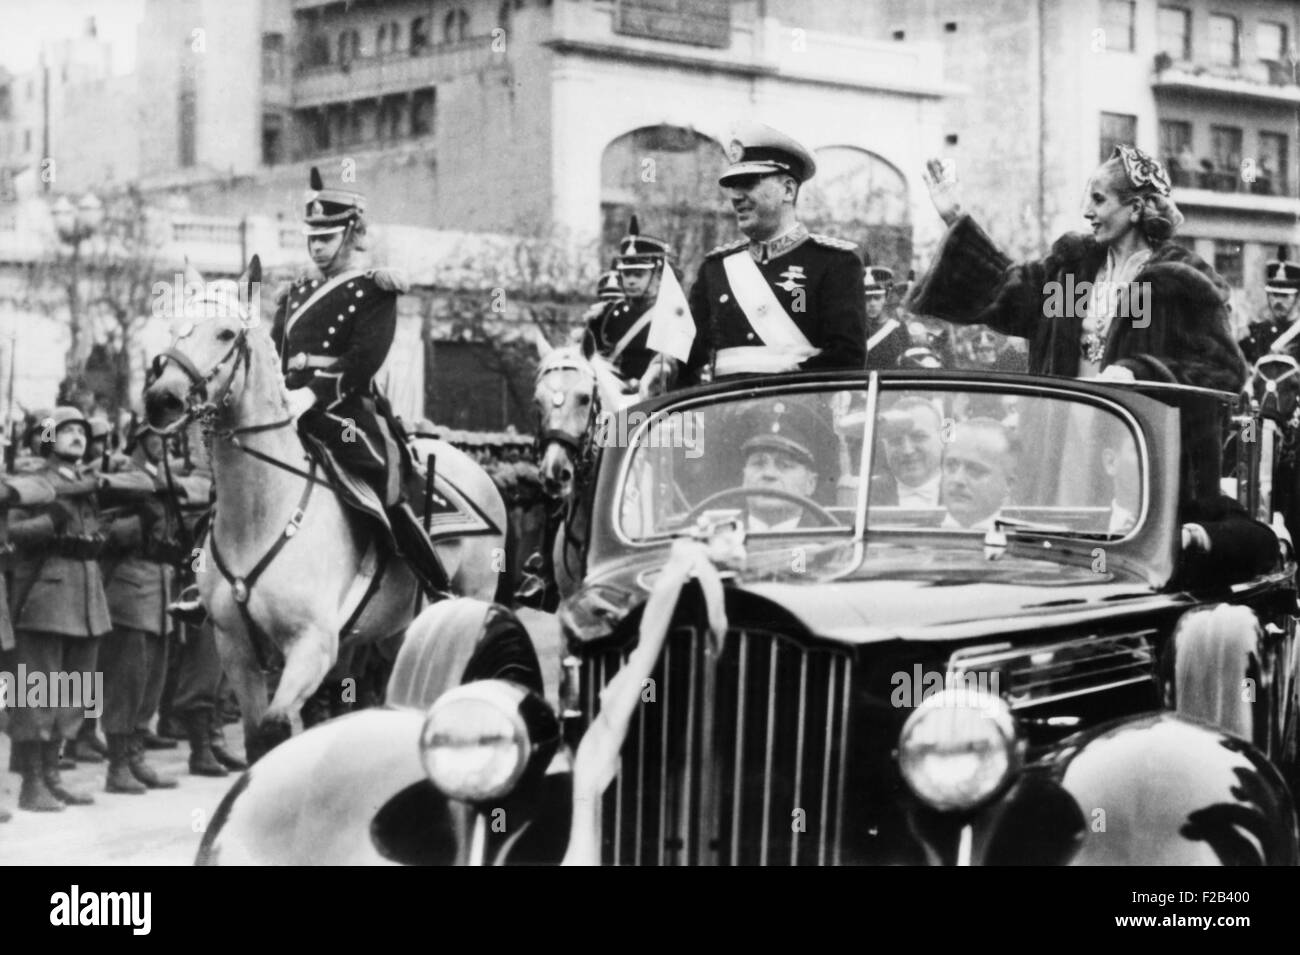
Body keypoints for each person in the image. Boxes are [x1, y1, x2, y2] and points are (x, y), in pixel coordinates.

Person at [910, 145, 1247, 500]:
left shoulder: (1177, 282)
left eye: (1099, 200)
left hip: (1135, 452)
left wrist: (1140, 372)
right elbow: (1008, 294)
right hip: (1061, 443)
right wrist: (956, 217)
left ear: (1135, 208)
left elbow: (1224, 371)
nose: (1087, 212)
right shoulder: (1076, 273)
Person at [270, 166, 447, 597]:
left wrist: (311, 394)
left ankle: (433, 579)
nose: (316, 247)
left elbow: (363, 360)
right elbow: (276, 352)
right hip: (287, 407)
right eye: (311, 238)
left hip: (344, 410)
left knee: (378, 473)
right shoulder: (293, 293)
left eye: (326, 238)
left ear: (351, 235)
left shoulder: (375, 289)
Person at [648, 123, 866, 392]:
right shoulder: (716, 268)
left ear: (788, 190)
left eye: (749, 183)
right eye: (733, 186)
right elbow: (691, 354)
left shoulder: (835, 263)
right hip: (727, 418)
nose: (736, 197)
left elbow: (847, 358)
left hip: (803, 419)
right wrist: (666, 367)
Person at [6, 407, 110, 812]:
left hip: (87, 595)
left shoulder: (87, 483)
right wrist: (48, 522)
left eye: (81, 430)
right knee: (37, 689)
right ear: (48, 437)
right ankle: (32, 781)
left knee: (76, 691)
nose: (76, 436)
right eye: (66, 430)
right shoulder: (32, 480)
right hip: (45, 597)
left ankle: (53, 774)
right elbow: (8, 530)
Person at [97, 422, 187, 794]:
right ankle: (117, 765)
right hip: (131, 584)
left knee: (152, 677)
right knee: (126, 678)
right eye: (153, 436)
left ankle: (135, 756)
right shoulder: (122, 475)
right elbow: (105, 530)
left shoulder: (165, 477)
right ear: (137, 439)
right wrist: (141, 521)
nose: (161, 443)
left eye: (166, 437)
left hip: (162, 585)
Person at [582, 217, 672, 384]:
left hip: (657, 405)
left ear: (658, 274)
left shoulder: (673, 317)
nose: (631, 280)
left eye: (638, 274)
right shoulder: (603, 317)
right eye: (626, 273)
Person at [736, 399, 839, 532]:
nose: (769, 474)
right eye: (758, 463)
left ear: (810, 484)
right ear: (744, 477)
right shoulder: (714, 539)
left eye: (784, 465)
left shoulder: (834, 542)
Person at [940, 417, 1017, 530]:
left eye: (975, 470)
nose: (957, 479)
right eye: (951, 466)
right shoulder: (910, 533)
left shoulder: (1023, 540)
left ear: (1008, 484)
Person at [872, 397, 944, 507]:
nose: (907, 450)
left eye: (919, 437)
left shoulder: (969, 490)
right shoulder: (865, 494)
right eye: (896, 440)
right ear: (885, 445)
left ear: (942, 440)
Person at [1239, 250, 1300, 364]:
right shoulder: (1256, 333)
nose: (1278, 301)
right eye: (1274, 295)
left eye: (1285, 296)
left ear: (1298, 297)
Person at [864, 267, 911, 370]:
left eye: (877, 298)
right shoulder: (855, 329)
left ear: (885, 299)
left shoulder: (898, 328)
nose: (872, 304)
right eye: (867, 299)